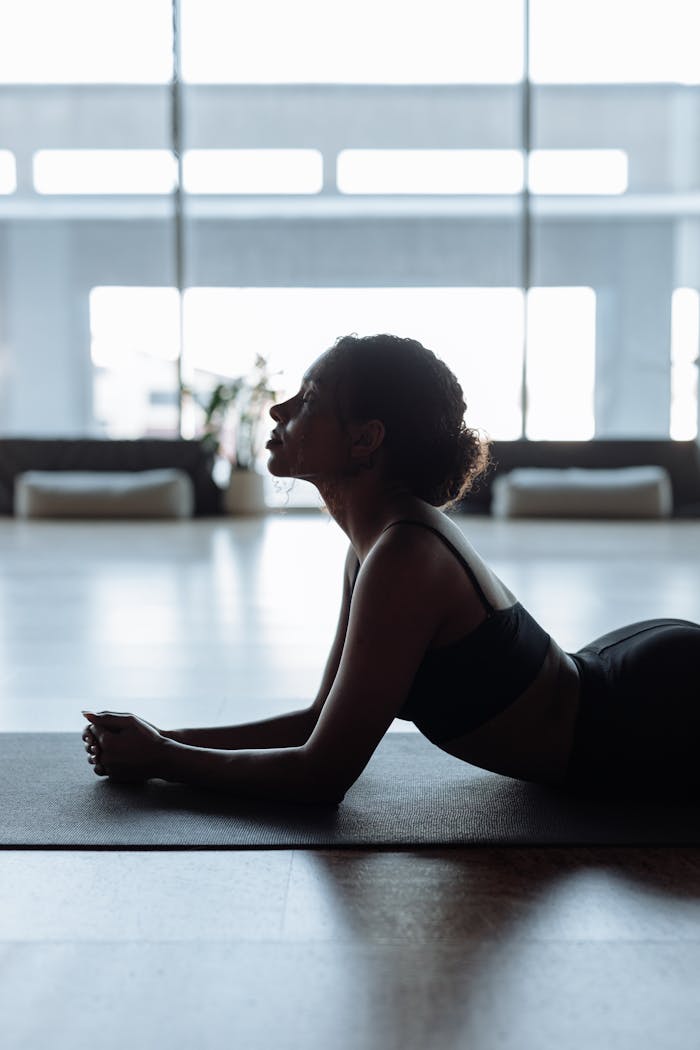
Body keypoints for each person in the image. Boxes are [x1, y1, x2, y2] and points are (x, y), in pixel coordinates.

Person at [82, 334, 700, 802]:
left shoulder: (404, 556)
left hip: (650, 712)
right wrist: (163, 738)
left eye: (310, 401)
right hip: (628, 675)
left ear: (365, 440)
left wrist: (162, 759)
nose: (279, 411)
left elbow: (321, 776)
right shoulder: (376, 545)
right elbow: (316, 719)